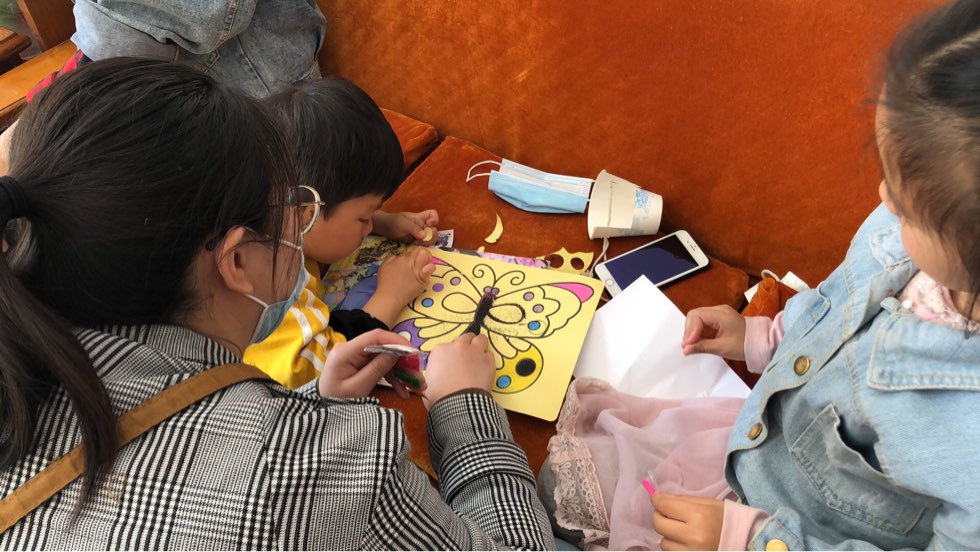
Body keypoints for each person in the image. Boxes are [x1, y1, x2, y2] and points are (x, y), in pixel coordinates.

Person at [0, 57, 553, 550]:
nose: (301, 224)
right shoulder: (313, 472)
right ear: (237, 260)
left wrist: (317, 401)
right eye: (292, 206)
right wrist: (463, 407)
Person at [656, 0, 980, 548]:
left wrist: (756, 541)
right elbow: (837, 303)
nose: (882, 198)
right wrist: (764, 337)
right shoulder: (902, 237)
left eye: (906, 207)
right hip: (753, 450)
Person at [242, 76, 440, 389]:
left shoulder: (272, 205)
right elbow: (319, 369)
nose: (369, 227)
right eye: (363, 218)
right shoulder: (274, 284)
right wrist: (390, 296)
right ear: (305, 212)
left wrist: (384, 222)